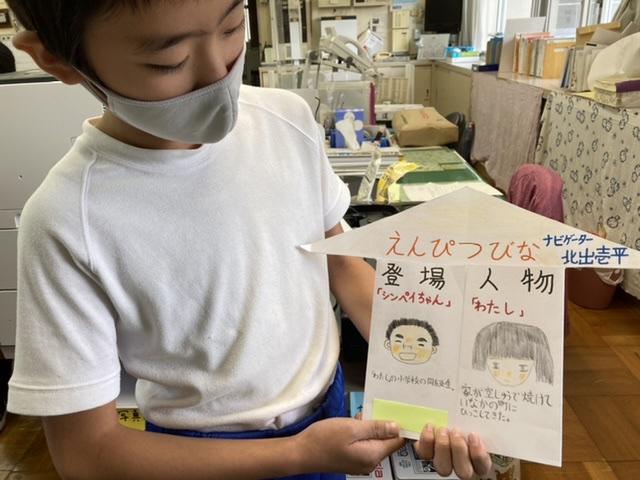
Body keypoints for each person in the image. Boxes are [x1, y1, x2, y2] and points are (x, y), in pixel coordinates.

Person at [5, 1, 493, 479]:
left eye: (232, 27)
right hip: (196, 456)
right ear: (55, 58)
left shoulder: (288, 122)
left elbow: (341, 264)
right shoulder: (67, 220)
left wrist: (430, 379)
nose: (218, 75)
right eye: (169, 60)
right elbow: (87, 453)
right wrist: (297, 455)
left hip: (328, 411)